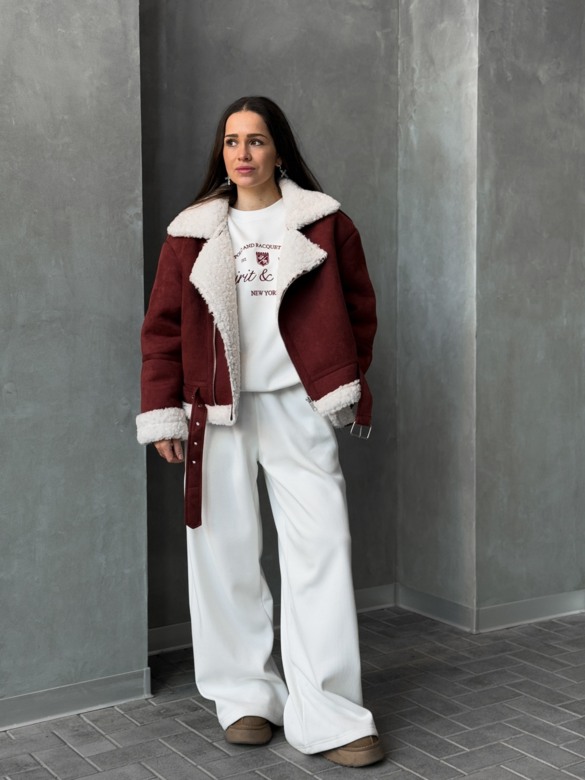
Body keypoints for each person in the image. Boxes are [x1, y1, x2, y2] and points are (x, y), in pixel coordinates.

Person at [136, 96, 382, 768]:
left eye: (256, 140)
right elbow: (162, 330)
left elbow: (360, 311)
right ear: (221, 153)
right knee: (223, 556)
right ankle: (245, 696)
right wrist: (162, 410)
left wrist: (339, 376)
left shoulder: (323, 224)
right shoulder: (191, 233)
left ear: (279, 150)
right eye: (231, 141)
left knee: (322, 550)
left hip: (298, 408)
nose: (242, 153)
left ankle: (328, 713)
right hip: (215, 412)